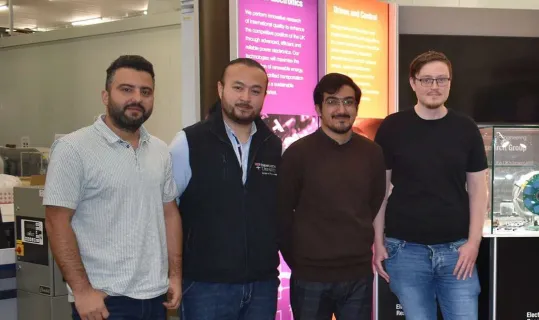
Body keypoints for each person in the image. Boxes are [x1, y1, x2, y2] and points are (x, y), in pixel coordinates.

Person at [44, 55, 182, 320]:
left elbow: (169, 214)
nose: (137, 98)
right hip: (105, 301)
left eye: (145, 92)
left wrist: (174, 275)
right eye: (126, 89)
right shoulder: (73, 149)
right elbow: (56, 222)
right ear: (105, 96)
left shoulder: (159, 150)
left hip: (155, 297)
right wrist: (82, 291)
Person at [371, 51, 488, 319]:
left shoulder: (466, 128)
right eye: (426, 80)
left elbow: (478, 191)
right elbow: (380, 191)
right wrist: (377, 242)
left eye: (441, 79)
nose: (434, 86)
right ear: (413, 83)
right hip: (405, 251)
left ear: (450, 83)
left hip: (457, 252)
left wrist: (473, 243)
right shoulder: (392, 127)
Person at [169, 58, 283, 319]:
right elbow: (166, 210)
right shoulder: (189, 142)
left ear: (264, 96)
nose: (246, 98)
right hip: (206, 286)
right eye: (238, 88)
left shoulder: (273, 145)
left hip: (262, 285)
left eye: (255, 91)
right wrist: (174, 273)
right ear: (220, 89)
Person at [276, 73, 386, 319]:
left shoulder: (372, 153)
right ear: (318, 109)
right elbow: (282, 214)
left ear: (356, 107)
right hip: (310, 276)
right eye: (332, 102)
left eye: (348, 102)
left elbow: (374, 203)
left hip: (357, 274)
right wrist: (300, 262)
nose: (341, 109)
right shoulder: (297, 154)